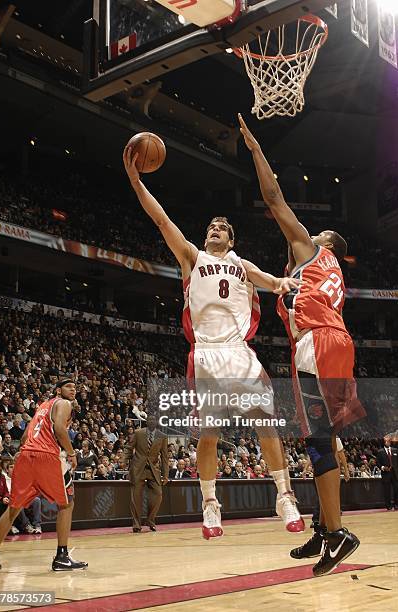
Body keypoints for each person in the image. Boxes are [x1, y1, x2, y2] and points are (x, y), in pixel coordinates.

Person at [124, 147, 305, 541]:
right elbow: (160, 218)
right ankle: (210, 503)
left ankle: (285, 496)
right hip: (206, 352)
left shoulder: (241, 264)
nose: (215, 229)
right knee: (209, 433)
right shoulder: (192, 256)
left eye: (221, 226)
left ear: (232, 237)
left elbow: (272, 282)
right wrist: (137, 181)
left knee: (266, 423)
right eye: (212, 226)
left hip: (239, 351)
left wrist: (283, 283)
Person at [239, 113, 364, 576]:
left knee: (316, 446)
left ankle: (336, 533)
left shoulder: (313, 252)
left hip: (316, 344)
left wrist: (255, 150)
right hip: (338, 342)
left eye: (315, 234)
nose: (306, 235)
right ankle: (323, 527)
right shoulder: (329, 277)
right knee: (324, 442)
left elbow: (273, 199)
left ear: (324, 242)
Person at [0, 379, 87, 572]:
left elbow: (27, 435)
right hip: (46, 457)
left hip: (26, 456)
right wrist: (71, 453)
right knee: (67, 502)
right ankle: (61, 557)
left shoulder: (43, 406)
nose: (73, 390)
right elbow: (60, 429)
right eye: (69, 387)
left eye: (75, 388)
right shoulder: (63, 403)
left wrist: (23, 452)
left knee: (13, 509)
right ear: (58, 390)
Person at [125, 414, 168, 533]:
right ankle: (136, 524)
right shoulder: (138, 433)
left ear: (156, 422)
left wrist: (165, 475)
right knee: (136, 498)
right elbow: (129, 448)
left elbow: (164, 457)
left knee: (158, 495)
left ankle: (150, 520)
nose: (151, 421)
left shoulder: (162, 436)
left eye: (153, 419)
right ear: (146, 421)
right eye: (149, 419)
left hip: (153, 469)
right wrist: (124, 461)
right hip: (138, 468)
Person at [376, 435, 398, 510]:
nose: (388, 442)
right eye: (386, 441)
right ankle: (388, 505)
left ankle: (396, 505)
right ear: (384, 442)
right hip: (386, 473)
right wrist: (383, 468)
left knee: (396, 489)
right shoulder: (380, 452)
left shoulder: (395, 450)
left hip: (395, 473)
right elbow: (377, 463)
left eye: (389, 441)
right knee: (387, 490)